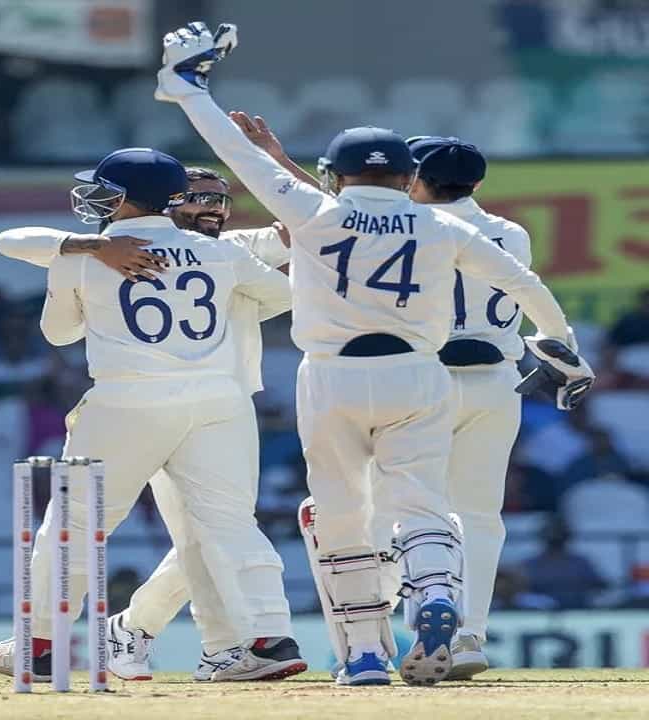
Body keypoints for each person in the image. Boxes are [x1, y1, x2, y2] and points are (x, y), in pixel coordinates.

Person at [155, 22, 592, 686]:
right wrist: (560, 339)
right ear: (407, 176)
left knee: (341, 517)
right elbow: (522, 282)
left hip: (332, 377)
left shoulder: (316, 214)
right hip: (417, 376)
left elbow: (236, 155)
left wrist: (188, 90)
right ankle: (438, 596)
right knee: (425, 510)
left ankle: (363, 655)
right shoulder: (441, 224)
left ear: (335, 176)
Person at [0, 146, 294, 684]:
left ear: (123, 197)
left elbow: (59, 333)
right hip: (218, 402)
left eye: (104, 189)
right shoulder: (220, 252)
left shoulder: (80, 256)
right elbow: (283, 294)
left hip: (126, 401)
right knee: (231, 524)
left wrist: (89, 258)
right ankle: (270, 637)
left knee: (74, 524)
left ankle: (42, 646)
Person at [242, 125, 541, 680]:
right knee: (478, 515)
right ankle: (468, 635)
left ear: (415, 181)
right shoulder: (510, 234)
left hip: (417, 376)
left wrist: (278, 162)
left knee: (376, 514)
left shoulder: (419, 227)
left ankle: (372, 642)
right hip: (495, 381)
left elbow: (334, 219)